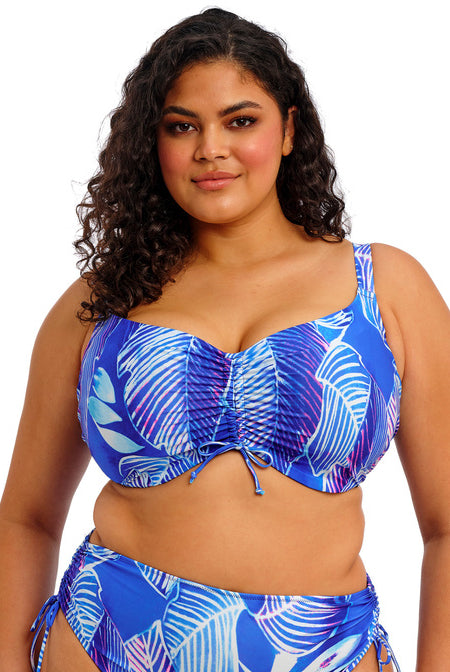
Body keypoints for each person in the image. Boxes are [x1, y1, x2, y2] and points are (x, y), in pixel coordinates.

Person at [0, 7, 448, 672]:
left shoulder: (387, 286)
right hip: (105, 642)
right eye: (182, 126)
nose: (210, 148)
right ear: (152, 141)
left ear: (289, 130)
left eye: (240, 121)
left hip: (325, 650)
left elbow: (445, 527)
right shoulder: (101, 301)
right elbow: (27, 517)